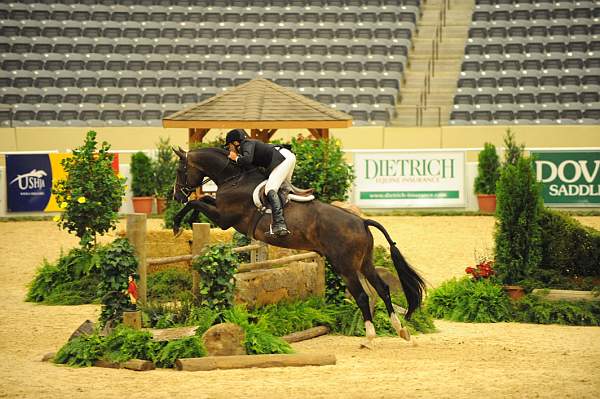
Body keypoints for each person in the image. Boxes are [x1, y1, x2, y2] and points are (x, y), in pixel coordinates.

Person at [225, 129, 295, 237]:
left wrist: (236, 159)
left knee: (270, 189)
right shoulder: (248, 146)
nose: (229, 148)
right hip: (285, 157)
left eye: (229, 145)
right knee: (283, 190)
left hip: (283, 158)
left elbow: (247, 160)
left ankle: (280, 224)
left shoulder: (246, 144)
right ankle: (290, 220)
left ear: (235, 143)